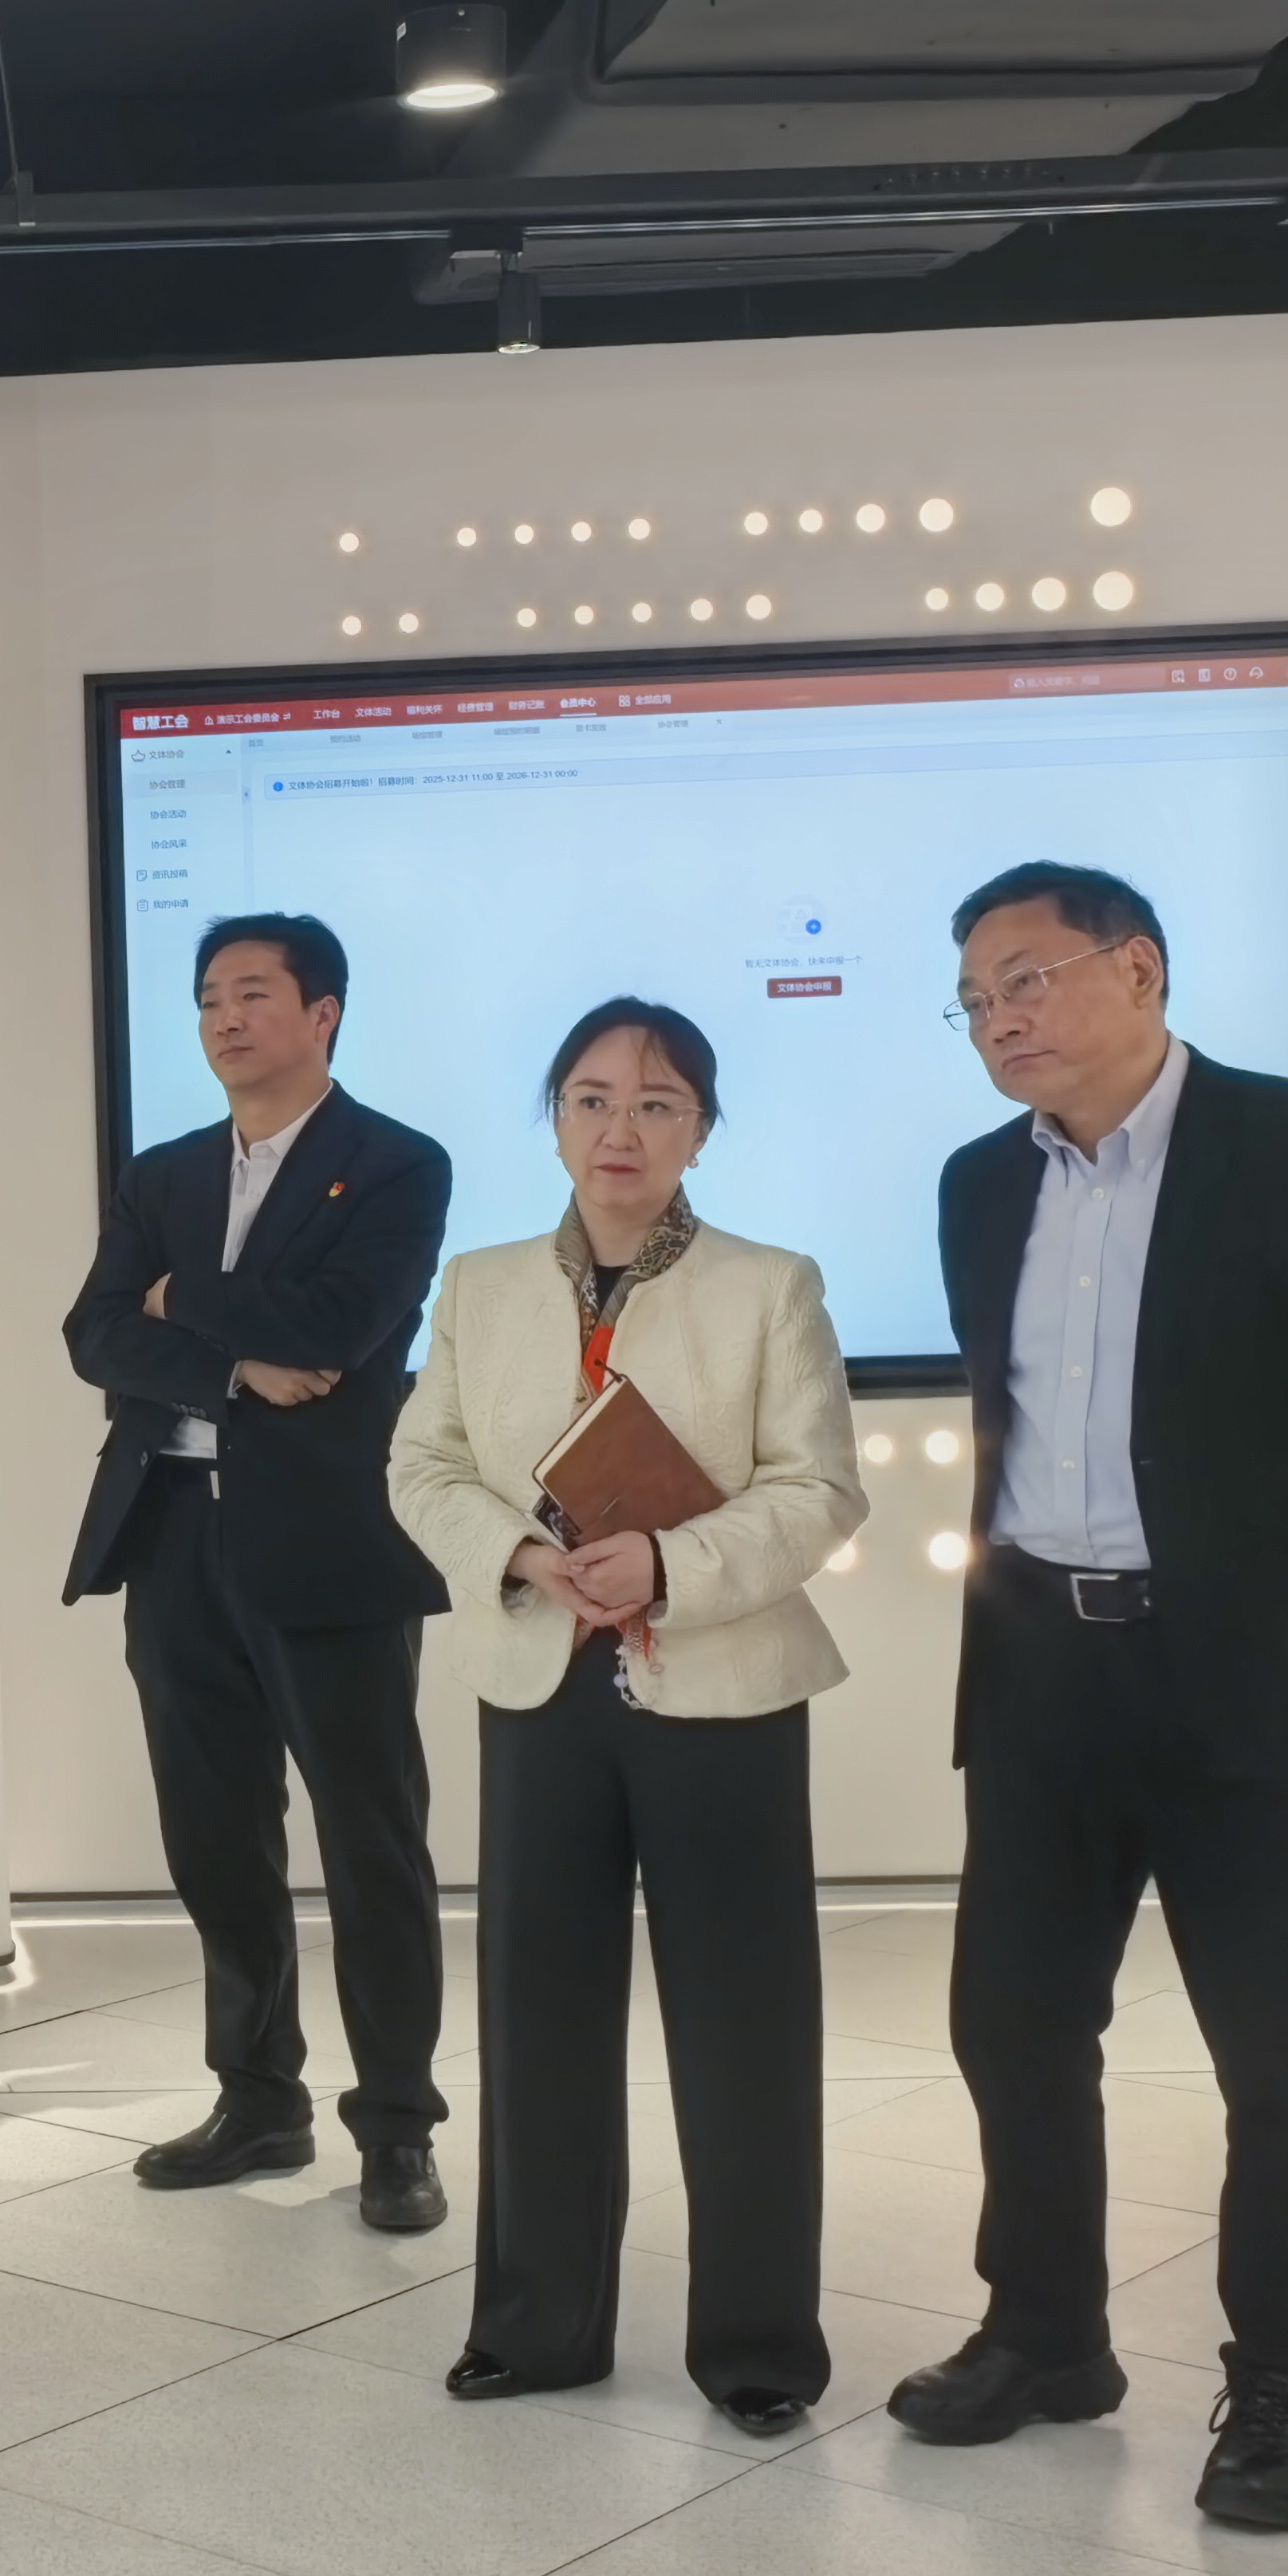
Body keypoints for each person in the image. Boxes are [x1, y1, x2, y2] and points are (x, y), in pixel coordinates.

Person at [896, 862, 1288, 2532]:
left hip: (1253, 1678)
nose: (997, 1018)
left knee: (1278, 2053)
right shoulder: (975, 1185)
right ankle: (1042, 2336)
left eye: (1024, 977)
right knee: (1010, 2021)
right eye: (972, 999)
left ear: (1138, 969)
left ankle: (1286, 2383)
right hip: (1039, 1665)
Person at [388, 1001, 865, 2434]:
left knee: (742, 2026)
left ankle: (759, 2345)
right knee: (537, 2014)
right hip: (541, 1679)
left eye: (659, 1104)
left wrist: (668, 1563)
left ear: (699, 1132)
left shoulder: (769, 1285)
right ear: (553, 1119)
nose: (621, 1129)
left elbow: (819, 1488)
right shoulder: (477, 1286)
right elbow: (421, 1465)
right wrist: (517, 1556)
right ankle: (536, 2325)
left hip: (718, 1685)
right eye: (591, 1098)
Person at [58, 913, 456, 2234]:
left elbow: (342, 1324)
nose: (224, 1019)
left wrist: (179, 1302)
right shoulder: (162, 1172)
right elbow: (91, 1332)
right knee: (214, 1837)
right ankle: (257, 2096)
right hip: (172, 1532)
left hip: (328, 1538)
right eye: (207, 999)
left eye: (251, 993)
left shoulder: (395, 1162)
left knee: (369, 1841)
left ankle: (395, 2127)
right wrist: (230, 1363)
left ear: (321, 1011)